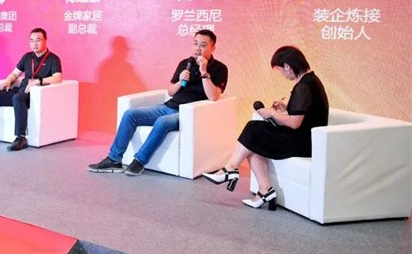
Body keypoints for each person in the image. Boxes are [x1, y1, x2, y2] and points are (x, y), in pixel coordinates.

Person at [203, 46, 329, 211]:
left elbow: (295, 123)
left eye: (280, 71)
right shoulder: (310, 81)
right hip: (302, 138)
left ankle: (232, 169)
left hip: (302, 142)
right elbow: (303, 115)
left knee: (253, 131)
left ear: (287, 67)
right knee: (252, 135)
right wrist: (285, 109)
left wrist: (271, 114)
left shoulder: (304, 86)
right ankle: (263, 189)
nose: (282, 75)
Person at [88, 30, 228, 176]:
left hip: (188, 114)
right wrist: (180, 81)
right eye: (195, 44)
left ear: (212, 48)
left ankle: (139, 161)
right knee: (130, 114)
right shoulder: (185, 63)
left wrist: (204, 72)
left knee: (162, 122)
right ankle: (114, 159)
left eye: (203, 45)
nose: (198, 48)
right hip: (169, 106)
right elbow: (171, 92)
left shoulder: (220, 68)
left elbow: (213, 96)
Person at [0, 28, 62, 152]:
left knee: (18, 97)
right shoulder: (27, 57)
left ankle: (21, 138)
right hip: (21, 91)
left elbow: (57, 78)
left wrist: (38, 82)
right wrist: (8, 80)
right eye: (31, 41)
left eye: (38, 40)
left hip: (35, 95)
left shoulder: (53, 59)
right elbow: (15, 73)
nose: (34, 44)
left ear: (45, 40)